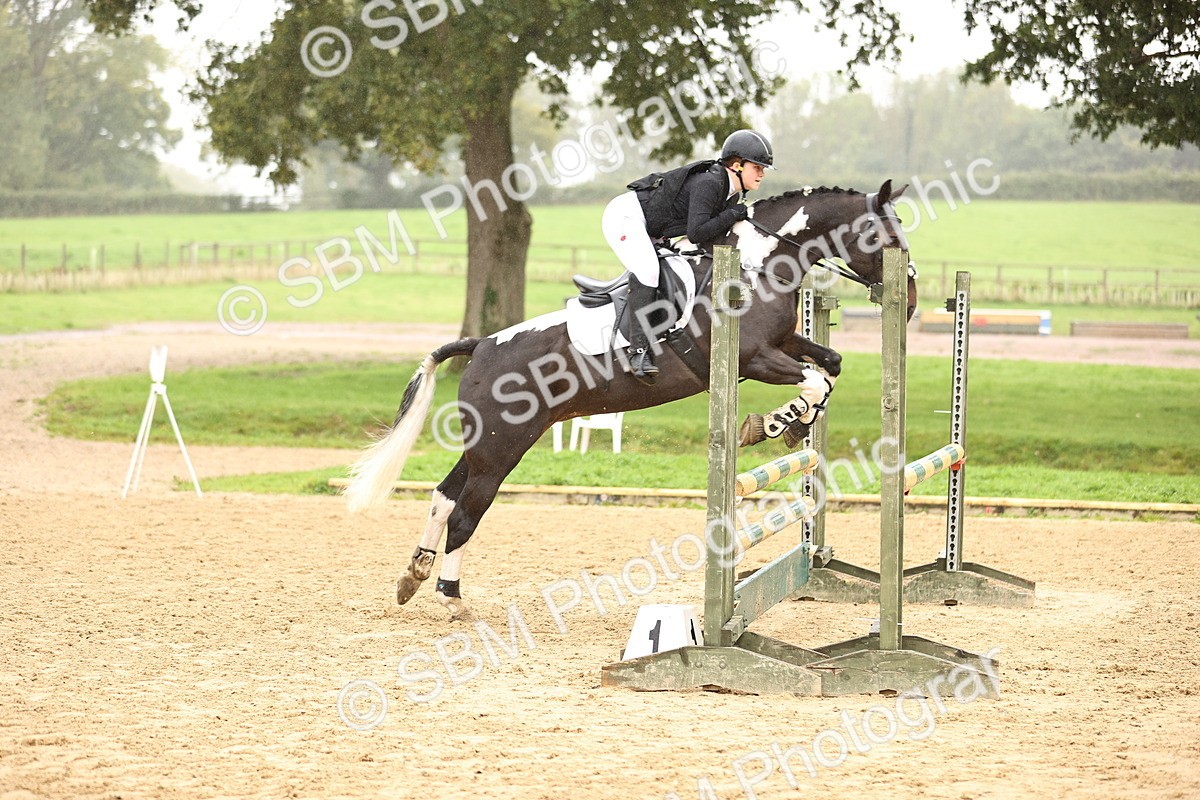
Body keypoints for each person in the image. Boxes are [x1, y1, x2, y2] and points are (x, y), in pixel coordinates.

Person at [602, 129, 774, 384]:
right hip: (625, 218)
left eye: (763, 168)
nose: (762, 173)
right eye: (757, 166)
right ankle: (637, 352)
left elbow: (707, 238)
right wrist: (732, 215)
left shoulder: (730, 193)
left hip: (653, 229)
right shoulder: (711, 183)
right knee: (649, 270)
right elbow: (696, 233)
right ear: (736, 165)